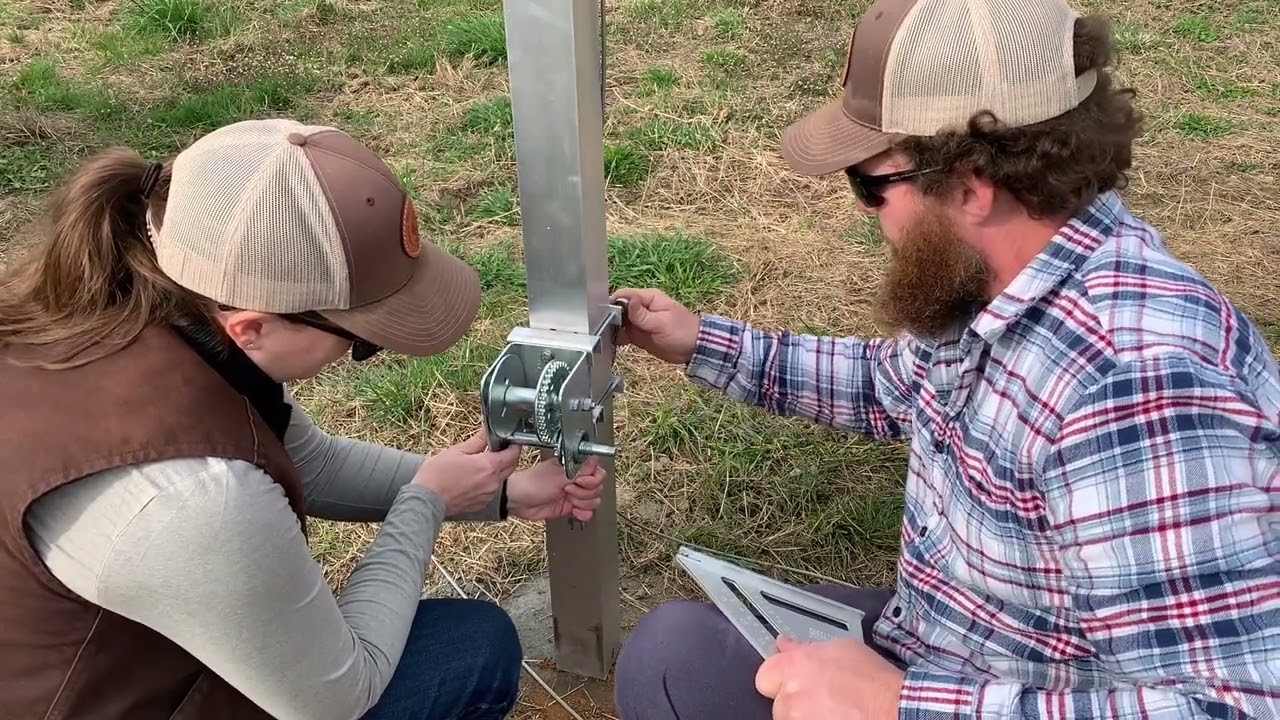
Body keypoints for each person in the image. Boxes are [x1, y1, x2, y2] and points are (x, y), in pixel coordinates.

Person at [609, 0, 1280, 718]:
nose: (865, 212)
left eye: (870, 182)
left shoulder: (1135, 388)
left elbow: (1235, 704)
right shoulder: (1012, 275)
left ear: (968, 184)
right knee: (675, 652)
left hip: (987, 688)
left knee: (672, 666)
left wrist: (900, 704)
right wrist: (704, 343)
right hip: (963, 640)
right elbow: (892, 386)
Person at [0, 117, 607, 720]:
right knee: (471, 653)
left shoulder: (143, 310)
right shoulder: (193, 499)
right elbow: (337, 697)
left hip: (132, 673)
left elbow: (310, 463)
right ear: (253, 327)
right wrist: (425, 504)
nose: (358, 355)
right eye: (361, 339)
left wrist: (499, 493)